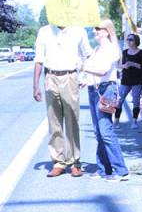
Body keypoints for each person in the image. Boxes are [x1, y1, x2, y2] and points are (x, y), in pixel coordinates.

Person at [32, 21, 90, 177]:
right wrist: (35, 85)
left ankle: (75, 162)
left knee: (72, 121)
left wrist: (84, 76)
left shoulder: (79, 30)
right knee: (54, 122)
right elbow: (38, 59)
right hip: (51, 77)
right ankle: (58, 162)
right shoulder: (44, 31)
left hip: (70, 77)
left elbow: (87, 54)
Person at [81, 19, 130, 181]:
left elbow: (102, 71)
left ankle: (120, 170)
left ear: (107, 31)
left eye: (98, 28)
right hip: (95, 90)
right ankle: (104, 169)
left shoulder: (111, 48)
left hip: (106, 89)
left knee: (106, 131)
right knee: (98, 132)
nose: (95, 31)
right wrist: (85, 79)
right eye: (94, 28)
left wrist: (83, 67)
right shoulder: (97, 49)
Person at [116, 33, 142, 129]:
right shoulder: (124, 52)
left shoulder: (141, 53)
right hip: (125, 80)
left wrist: (133, 64)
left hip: (137, 80)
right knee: (119, 100)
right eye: (127, 39)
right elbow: (118, 65)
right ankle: (116, 122)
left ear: (136, 41)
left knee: (136, 101)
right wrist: (124, 66)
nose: (128, 41)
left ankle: (134, 122)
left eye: (131, 39)